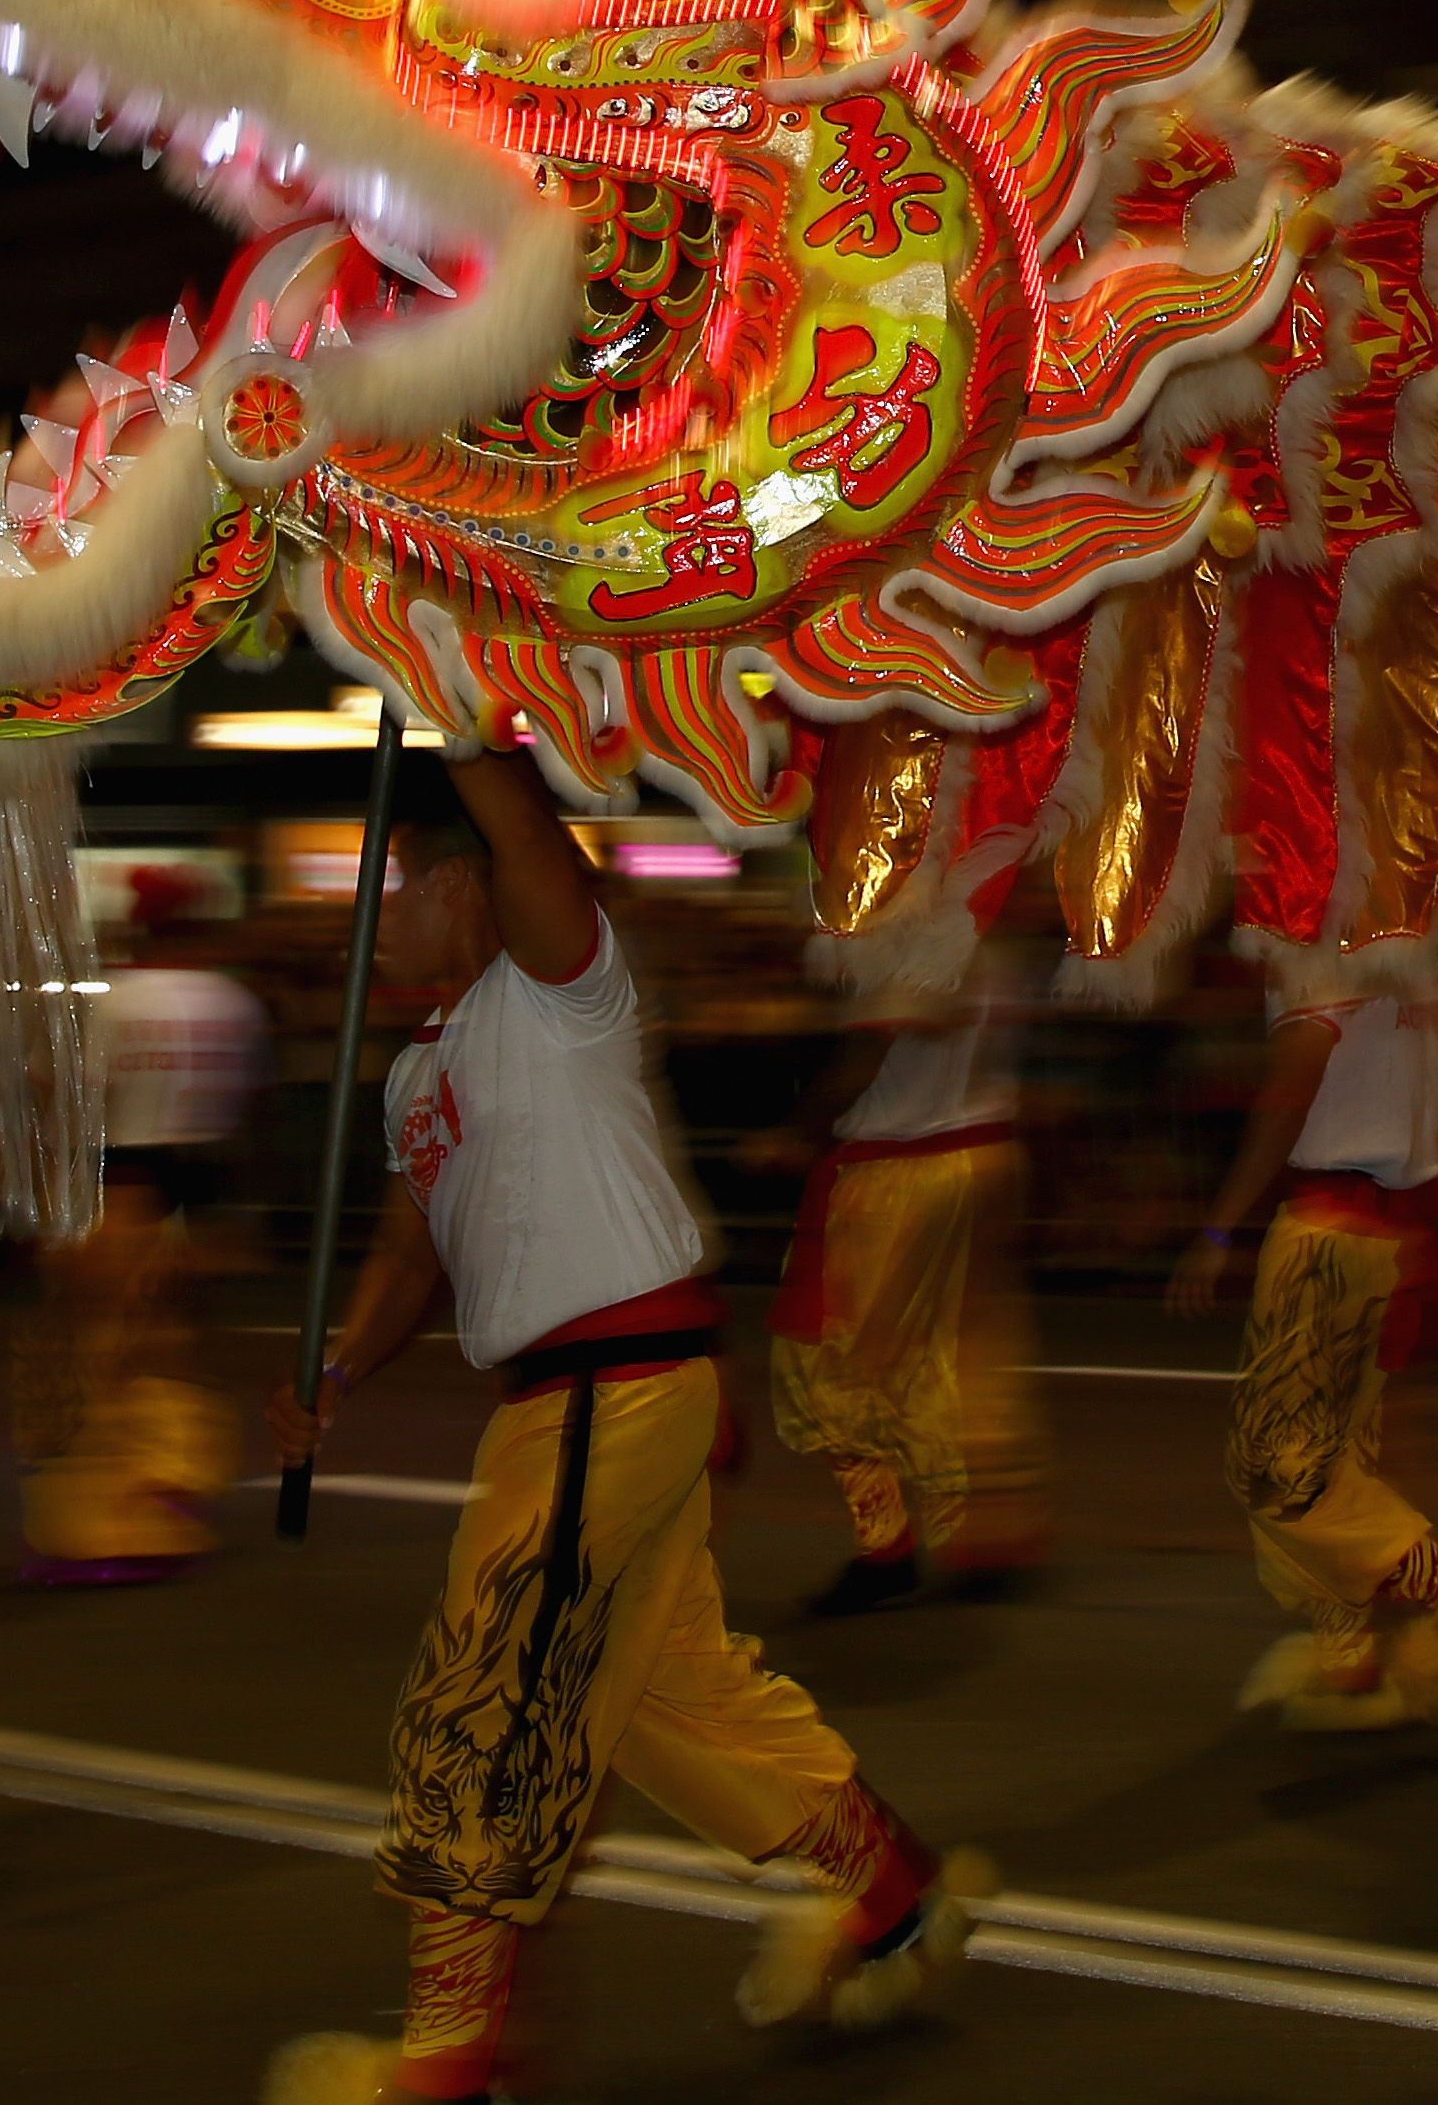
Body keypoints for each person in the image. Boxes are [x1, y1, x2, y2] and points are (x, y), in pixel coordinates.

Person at [265, 753, 981, 2105]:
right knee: (663, 1694)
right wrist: (339, 1369)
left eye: (390, 886)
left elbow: (532, 839)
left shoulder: (556, 988)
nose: (370, 917)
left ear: (461, 878)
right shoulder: (413, 1070)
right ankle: (889, 1889)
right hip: (563, 1403)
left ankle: (449, 2058)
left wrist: (457, 710)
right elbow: (411, 1250)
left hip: (616, 1386)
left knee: (491, 1689)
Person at [1169, 979, 1438, 1727]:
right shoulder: (1412, 949)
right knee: (1350, 1452)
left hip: (1337, 1222)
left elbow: (1289, 1093)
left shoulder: (1316, 951)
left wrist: (1220, 1227)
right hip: (1414, 1214)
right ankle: (1350, 1656)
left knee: (1276, 1465)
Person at [758, 894, 1052, 1616]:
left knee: (834, 1366)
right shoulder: (986, 930)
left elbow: (883, 1037)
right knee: (965, 1353)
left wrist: (799, 1130)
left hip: (901, 1169)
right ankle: (985, 1537)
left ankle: (885, 1547)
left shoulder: (913, 919)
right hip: (982, 1154)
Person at [19, 871, 261, 1583]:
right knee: (178, 1344)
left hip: (124, 1176)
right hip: (204, 1179)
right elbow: (252, 1104)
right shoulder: (231, 1003)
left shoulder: (111, 1004)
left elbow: (60, 1100)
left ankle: (111, 1512)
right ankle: (176, 1482)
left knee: (106, 1348)